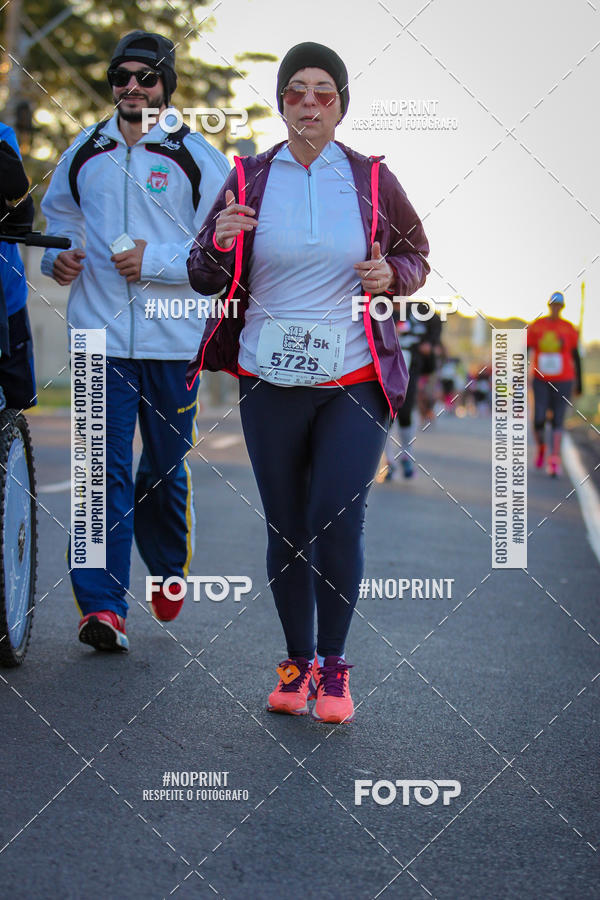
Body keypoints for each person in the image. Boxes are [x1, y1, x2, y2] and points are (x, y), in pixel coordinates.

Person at [187, 42, 430, 723]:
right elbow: (203, 274)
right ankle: (296, 665)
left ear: (342, 105)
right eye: (297, 91)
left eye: (325, 92)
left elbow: (416, 254)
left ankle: (335, 670)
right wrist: (218, 244)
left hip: (353, 375)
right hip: (269, 376)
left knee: (336, 516)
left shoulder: (371, 179)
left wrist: (393, 277)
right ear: (281, 103)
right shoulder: (247, 176)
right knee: (287, 527)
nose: (311, 103)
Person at [41, 31, 230, 651]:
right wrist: (59, 260)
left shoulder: (198, 155)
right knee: (101, 471)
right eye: (121, 76)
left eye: (146, 77)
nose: (132, 87)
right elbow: (60, 221)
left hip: (174, 336)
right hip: (98, 336)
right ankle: (102, 607)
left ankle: (168, 568)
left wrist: (160, 260)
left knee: (163, 467)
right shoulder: (84, 150)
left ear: (165, 86)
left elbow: (225, 245)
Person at [0, 123, 37, 412]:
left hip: (5, 298)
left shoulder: (2, 135)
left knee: (13, 405)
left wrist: (18, 199)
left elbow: (18, 216)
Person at [384, 301, 441, 479]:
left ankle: (407, 454)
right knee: (385, 413)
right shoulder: (379, 306)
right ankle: (388, 461)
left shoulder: (419, 309)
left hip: (411, 366)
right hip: (385, 366)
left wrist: (430, 343)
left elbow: (436, 322)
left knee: (406, 411)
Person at [527, 291, 582, 477]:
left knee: (558, 419)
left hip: (564, 379)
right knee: (539, 419)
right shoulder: (537, 326)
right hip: (541, 380)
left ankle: (554, 459)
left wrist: (579, 382)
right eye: (553, 305)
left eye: (559, 305)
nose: (556, 308)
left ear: (562, 307)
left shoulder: (569, 328)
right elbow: (526, 351)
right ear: (549, 305)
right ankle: (542, 447)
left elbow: (576, 356)